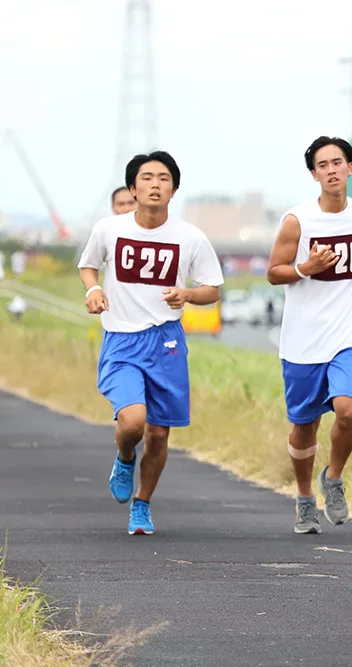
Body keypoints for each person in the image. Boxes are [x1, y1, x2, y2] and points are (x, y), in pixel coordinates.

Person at [78, 151, 225, 536]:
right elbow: (87, 264)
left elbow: (212, 289)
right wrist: (94, 288)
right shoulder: (109, 229)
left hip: (166, 341)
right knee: (133, 422)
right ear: (132, 187)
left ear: (174, 189)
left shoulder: (190, 237)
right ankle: (125, 456)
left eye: (163, 178)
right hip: (122, 339)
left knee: (159, 433)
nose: (155, 184)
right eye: (146, 178)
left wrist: (188, 296)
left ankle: (141, 505)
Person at [266, 136, 352, 535]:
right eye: (322, 165)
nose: (331, 170)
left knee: (349, 410)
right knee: (304, 426)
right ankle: (303, 497)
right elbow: (273, 271)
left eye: (338, 162)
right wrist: (305, 267)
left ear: (350, 167)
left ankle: (333, 477)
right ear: (314, 174)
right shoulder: (298, 220)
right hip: (303, 339)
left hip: (350, 332)